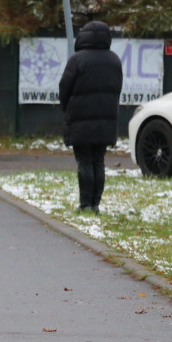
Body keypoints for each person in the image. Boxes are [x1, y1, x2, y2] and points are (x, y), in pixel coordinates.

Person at [57, 21, 123, 213]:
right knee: (98, 161)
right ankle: (95, 204)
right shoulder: (114, 60)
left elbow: (64, 89)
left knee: (84, 161)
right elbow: (117, 89)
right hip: (106, 119)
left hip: (80, 119)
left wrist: (68, 109)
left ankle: (85, 204)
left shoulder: (77, 60)